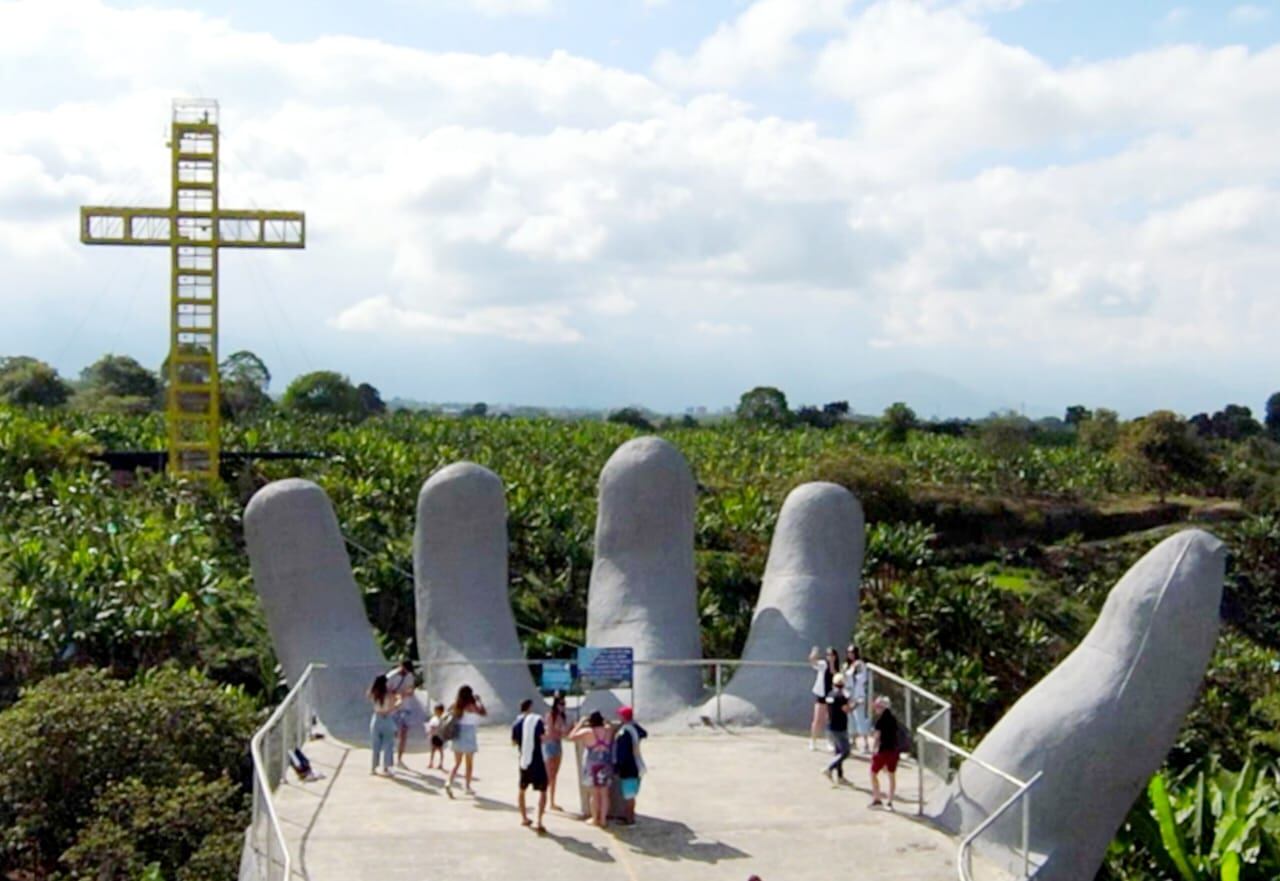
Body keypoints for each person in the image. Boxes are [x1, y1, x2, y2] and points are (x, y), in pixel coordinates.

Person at [569, 710, 614, 827]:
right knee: (605, 794)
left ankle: (595, 819)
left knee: (594, 794)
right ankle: (603, 819)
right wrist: (605, 721)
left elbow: (571, 736)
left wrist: (579, 723)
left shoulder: (587, 732)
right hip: (605, 763)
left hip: (592, 764)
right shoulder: (608, 730)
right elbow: (610, 724)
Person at [512, 698, 548, 832]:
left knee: (522, 789)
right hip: (537, 759)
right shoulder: (536, 720)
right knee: (543, 791)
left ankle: (524, 818)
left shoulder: (516, 723)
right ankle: (539, 821)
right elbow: (543, 738)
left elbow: (514, 742)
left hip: (524, 760)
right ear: (530, 707)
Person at [445, 685, 487, 797]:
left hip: (458, 732)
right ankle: (467, 786)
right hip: (469, 732)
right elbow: (483, 713)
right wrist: (479, 701)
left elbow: (448, 711)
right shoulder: (471, 706)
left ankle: (449, 781)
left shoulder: (456, 704)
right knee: (469, 763)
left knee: (457, 763)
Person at [387, 659, 426, 767]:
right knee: (392, 733)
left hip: (405, 707)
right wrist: (395, 695)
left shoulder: (409, 676)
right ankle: (389, 756)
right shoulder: (391, 676)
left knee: (404, 733)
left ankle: (399, 758)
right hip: (393, 707)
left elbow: (411, 689)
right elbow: (386, 690)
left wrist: (406, 693)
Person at [612, 706, 648, 825]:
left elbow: (621, 752)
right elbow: (644, 733)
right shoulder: (633, 729)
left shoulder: (624, 732)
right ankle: (630, 818)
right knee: (631, 794)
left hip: (628, 767)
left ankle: (630, 820)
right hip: (637, 765)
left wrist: (617, 766)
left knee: (629, 796)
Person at [870, 695, 901, 809]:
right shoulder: (893, 718)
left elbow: (877, 737)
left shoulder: (880, 720)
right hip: (894, 750)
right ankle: (890, 801)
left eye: (878, 706)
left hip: (883, 750)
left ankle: (877, 798)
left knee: (873, 773)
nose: (876, 709)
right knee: (891, 775)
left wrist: (873, 750)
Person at [543, 691, 570, 811]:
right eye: (561, 704)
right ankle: (545, 801)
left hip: (556, 744)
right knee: (549, 775)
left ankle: (552, 801)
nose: (563, 706)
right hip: (551, 744)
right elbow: (559, 731)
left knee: (553, 775)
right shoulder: (553, 716)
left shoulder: (558, 716)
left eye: (564, 704)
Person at [822, 673, 852, 783]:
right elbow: (847, 709)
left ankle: (840, 776)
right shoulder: (841, 696)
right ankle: (829, 768)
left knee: (838, 752)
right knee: (845, 752)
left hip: (831, 726)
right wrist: (855, 704)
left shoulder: (830, 695)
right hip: (840, 727)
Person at [368, 673, 398, 776]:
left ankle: (373, 767)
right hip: (386, 718)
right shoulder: (389, 694)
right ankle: (386, 767)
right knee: (388, 745)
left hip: (376, 718)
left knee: (375, 745)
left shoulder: (373, 693)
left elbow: (368, 695)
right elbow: (393, 707)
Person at [808, 646, 838, 750]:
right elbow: (813, 662)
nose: (830, 657)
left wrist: (832, 664)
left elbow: (835, 675)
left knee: (829, 719)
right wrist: (814, 653)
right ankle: (813, 741)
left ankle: (829, 741)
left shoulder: (837, 667)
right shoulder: (823, 664)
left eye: (832, 655)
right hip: (821, 694)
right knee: (817, 719)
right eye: (828, 655)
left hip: (831, 695)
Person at [844, 645, 872, 753]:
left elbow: (861, 679)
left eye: (852, 652)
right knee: (850, 720)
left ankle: (865, 744)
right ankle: (852, 741)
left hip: (858, 695)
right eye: (848, 652)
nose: (850, 654)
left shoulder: (859, 664)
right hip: (849, 694)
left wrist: (858, 699)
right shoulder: (847, 665)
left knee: (860, 719)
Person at [426, 702, 446, 769]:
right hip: (434, 736)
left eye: (438, 711)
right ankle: (431, 763)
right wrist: (430, 732)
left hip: (439, 736)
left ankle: (440, 764)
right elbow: (431, 726)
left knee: (440, 750)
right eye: (436, 710)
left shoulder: (442, 719)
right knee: (433, 750)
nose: (436, 712)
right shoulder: (434, 718)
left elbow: (441, 727)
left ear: (441, 711)